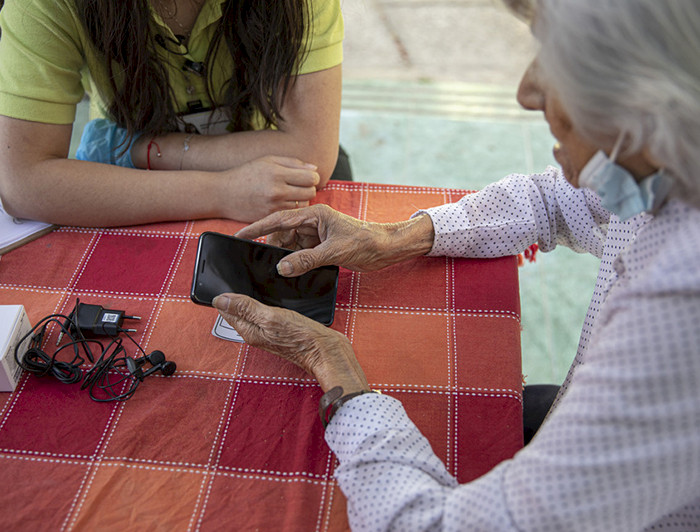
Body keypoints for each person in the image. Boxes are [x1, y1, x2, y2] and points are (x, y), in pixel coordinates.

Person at [211, 0, 700, 529]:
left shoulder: (676, 311)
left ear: (646, 97)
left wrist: (333, 369)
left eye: (558, 60)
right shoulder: (665, 164)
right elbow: (557, 200)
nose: (527, 92)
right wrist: (394, 237)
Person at [0, 0, 346, 227]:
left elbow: (311, 153)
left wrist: (137, 148)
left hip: (128, 162)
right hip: (132, 187)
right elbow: (22, 183)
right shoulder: (41, 5)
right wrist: (222, 191)